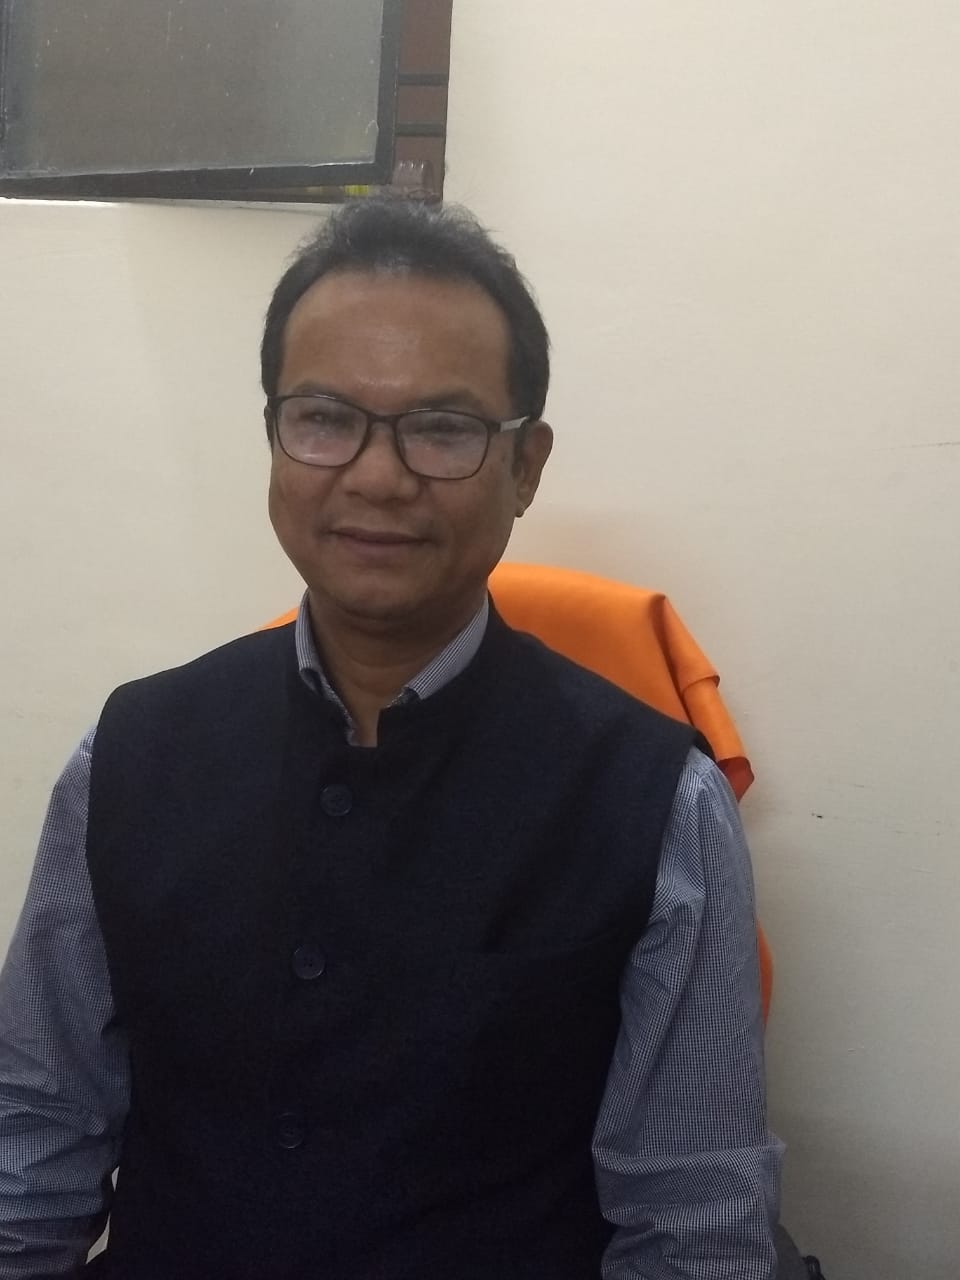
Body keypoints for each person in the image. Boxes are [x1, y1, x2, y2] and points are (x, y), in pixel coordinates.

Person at [0, 199, 782, 1279]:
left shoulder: (659, 804)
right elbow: (34, 1133)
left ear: (526, 466)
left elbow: (695, 1223)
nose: (376, 475)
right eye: (325, 417)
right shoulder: (129, 755)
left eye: (444, 428)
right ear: (274, 437)